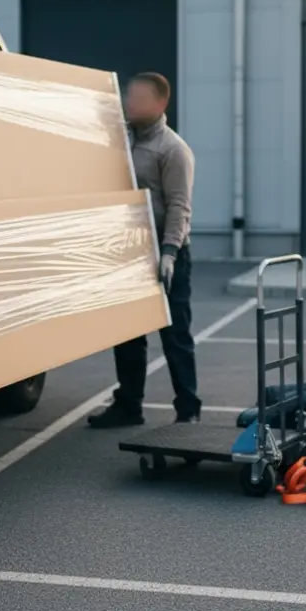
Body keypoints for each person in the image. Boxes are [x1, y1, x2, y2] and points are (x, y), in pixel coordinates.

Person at [88, 72, 200, 428]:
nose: (128, 103)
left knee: (175, 336)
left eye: (137, 98)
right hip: (130, 251)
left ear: (160, 104)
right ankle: (129, 406)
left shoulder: (173, 150)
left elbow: (180, 206)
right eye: (127, 96)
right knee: (128, 334)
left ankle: (188, 411)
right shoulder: (122, 139)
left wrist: (168, 253)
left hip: (168, 256)